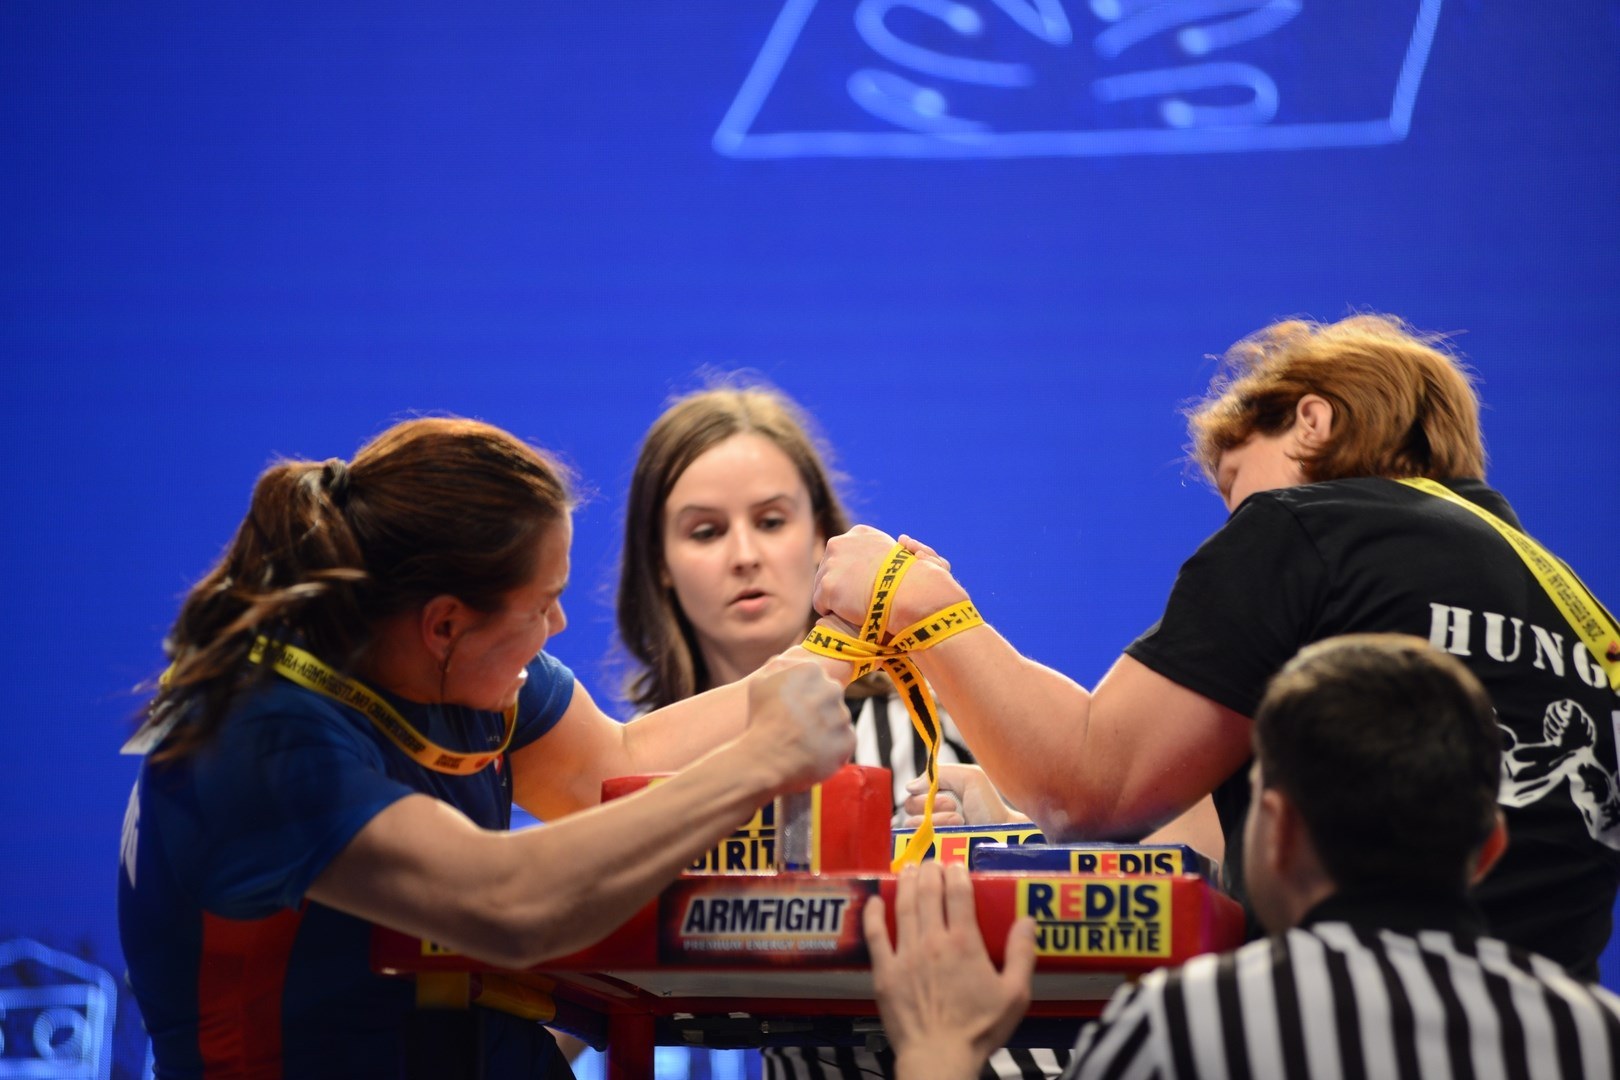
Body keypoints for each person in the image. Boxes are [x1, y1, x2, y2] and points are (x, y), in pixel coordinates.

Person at [817, 313, 1620, 978]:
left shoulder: (1313, 525)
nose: (1233, 526)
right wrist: (1021, 829)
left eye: (1236, 485)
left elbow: (1087, 788)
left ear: (1311, 420)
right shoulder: (1577, 606)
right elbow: (1220, 837)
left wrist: (911, 597)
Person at [118, 416, 854, 1078]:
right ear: (444, 625)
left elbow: (616, 769)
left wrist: (850, 642)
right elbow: (509, 902)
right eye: (542, 604)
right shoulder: (259, 739)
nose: (559, 623)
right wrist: (758, 763)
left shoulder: (458, 673)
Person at [865, 635, 1620, 1079]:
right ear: (1489, 847)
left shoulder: (1176, 1028)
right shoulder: (1594, 1038)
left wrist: (938, 1051)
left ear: (1276, 828)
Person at [616, 383, 1069, 1079]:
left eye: (771, 521)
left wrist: (1007, 836)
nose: (744, 555)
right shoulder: (647, 771)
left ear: (823, 539)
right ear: (660, 568)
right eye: (706, 531)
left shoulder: (940, 713)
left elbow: (1106, 888)